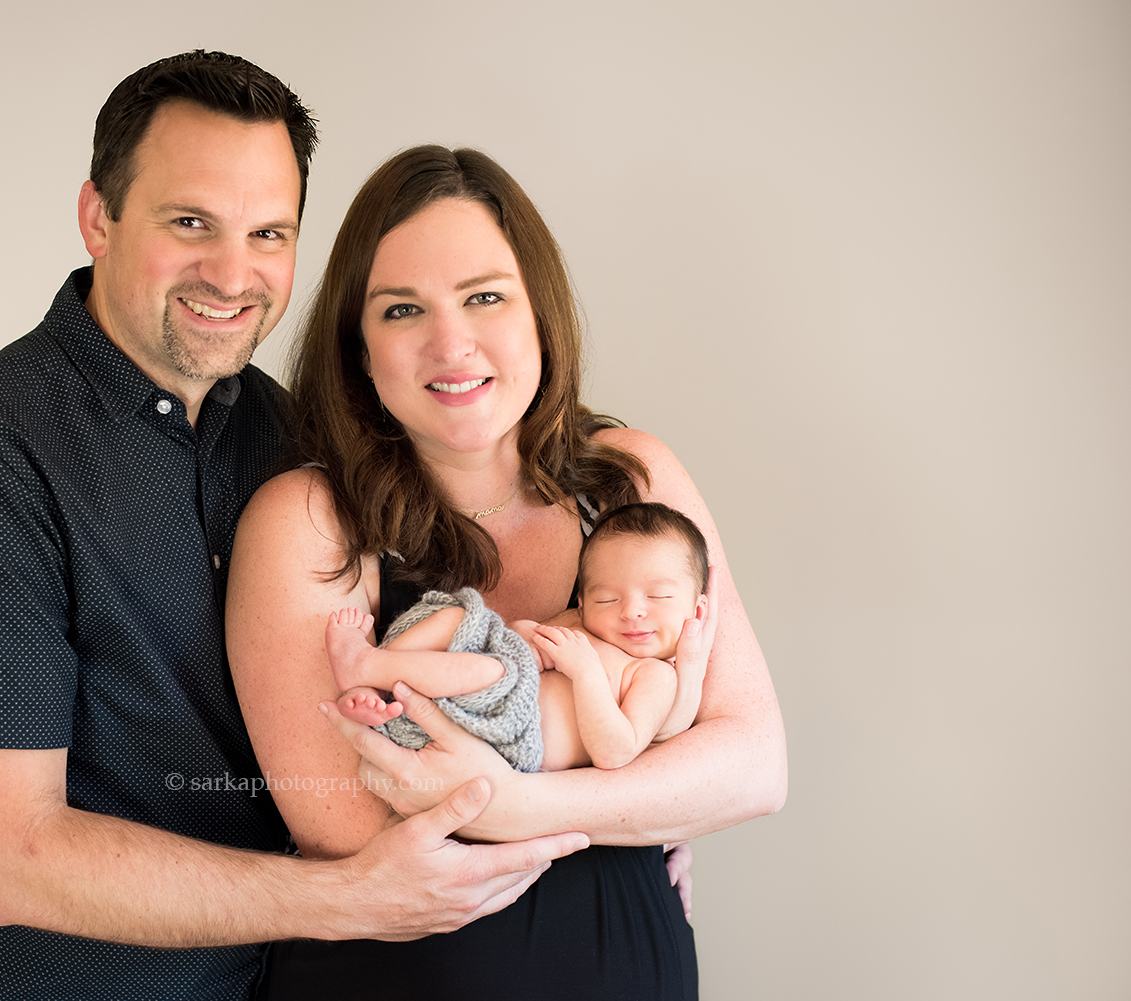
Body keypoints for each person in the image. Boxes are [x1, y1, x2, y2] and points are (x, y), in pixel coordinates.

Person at [0, 53, 588, 1001]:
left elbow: (425, 695)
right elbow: (11, 858)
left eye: (268, 232)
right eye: (190, 222)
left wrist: (616, 816)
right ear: (98, 218)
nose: (233, 273)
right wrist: (338, 898)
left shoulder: (295, 440)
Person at [225, 145, 787, 999]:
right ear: (359, 350)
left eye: (485, 296)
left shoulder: (630, 478)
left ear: (539, 315)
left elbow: (754, 765)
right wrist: (641, 794)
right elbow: (352, 819)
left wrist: (526, 808)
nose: (451, 343)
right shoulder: (308, 520)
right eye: (402, 309)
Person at [328, 501, 711, 773]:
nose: (631, 611)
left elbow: (617, 751)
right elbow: (522, 638)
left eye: (658, 596)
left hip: (512, 736)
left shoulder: (654, 676)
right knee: (460, 617)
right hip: (471, 700)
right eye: (607, 598)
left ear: (695, 611)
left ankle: (367, 664)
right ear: (582, 600)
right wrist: (528, 636)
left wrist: (586, 672)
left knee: (490, 672)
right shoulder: (579, 624)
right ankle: (378, 686)